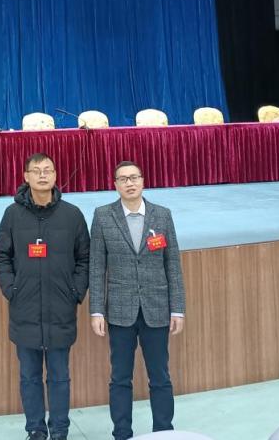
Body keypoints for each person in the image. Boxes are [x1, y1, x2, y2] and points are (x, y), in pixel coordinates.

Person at [0, 152, 90, 440]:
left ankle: (59, 430)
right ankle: (35, 429)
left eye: (48, 170)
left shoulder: (72, 215)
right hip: (25, 309)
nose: (43, 175)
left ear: (56, 175)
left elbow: (85, 258)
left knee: (59, 376)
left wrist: (75, 291)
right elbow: (1, 255)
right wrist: (12, 289)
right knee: (29, 376)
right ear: (26, 177)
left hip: (61, 308)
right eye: (36, 170)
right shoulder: (13, 214)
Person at [89, 160, 186, 440]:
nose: (129, 183)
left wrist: (177, 309)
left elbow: (172, 264)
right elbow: (97, 267)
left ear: (143, 181)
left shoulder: (162, 215)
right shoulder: (103, 216)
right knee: (120, 378)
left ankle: (164, 432)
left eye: (134, 177)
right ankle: (122, 433)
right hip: (120, 312)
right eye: (123, 179)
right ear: (115, 185)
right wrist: (96, 311)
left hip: (157, 309)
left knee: (160, 377)